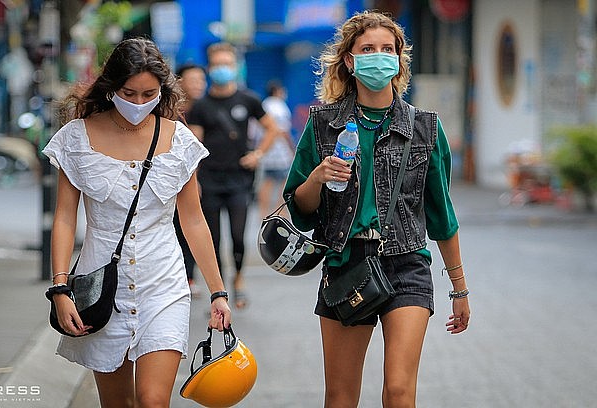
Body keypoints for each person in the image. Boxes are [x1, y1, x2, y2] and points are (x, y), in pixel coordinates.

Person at [283, 11, 471, 407]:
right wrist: (317, 176)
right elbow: (299, 208)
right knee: (340, 395)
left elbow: (442, 217)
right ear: (349, 61)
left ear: (400, 59)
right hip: (346, 264)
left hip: (408, 266)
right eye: (368, 49)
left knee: (400, 392)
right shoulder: (322, 126)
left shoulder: (425, 127)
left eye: (388, 49)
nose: (379, 56)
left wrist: (460, 288)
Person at [42, 38, 231, 408]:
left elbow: (193, 220)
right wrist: (60, 288)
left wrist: (218, 292)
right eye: (130, 93)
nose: (140, 103)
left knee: (152, 401)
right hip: (100, 290)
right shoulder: (76, 138)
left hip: (164, 284)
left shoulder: (179, 140)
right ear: (112, 87)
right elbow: (65, 217)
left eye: (150, 94)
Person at [187, 42, 279, 309]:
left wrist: (258, 154)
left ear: (235, 67)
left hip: (240, 179)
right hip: (210, 180)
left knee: (238, 236)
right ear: (209, 68)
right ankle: (220, 290)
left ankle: (239, 279)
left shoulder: (248, 99)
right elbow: (194, 145)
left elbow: (271, 128)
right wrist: (194, 181)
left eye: (227, 64)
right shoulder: (201, 106)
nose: (222, 69)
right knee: (213, 238)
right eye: (217, 65)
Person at [174, 63, 208, 298]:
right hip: (179, 178)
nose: (198, 84)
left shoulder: (208, 107)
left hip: (207, 177)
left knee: (194, 226)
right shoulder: (170, 112)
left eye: (201, 80)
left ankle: (191, 275)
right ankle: (183, 274)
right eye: (192, 79)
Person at [256, 79, 295, 218]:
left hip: (266, 150)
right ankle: (280, 211)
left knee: (266, 181)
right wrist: (291, 148)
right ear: (278, 91)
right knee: (284, 183)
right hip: (280, 152)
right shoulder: (280, 106)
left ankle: (263, 212)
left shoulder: (264, 105)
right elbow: (284, 131)